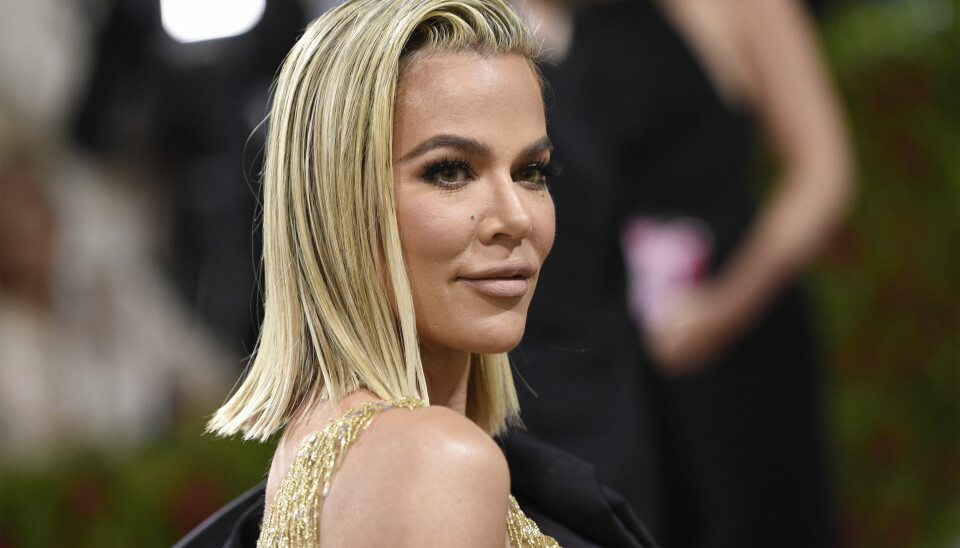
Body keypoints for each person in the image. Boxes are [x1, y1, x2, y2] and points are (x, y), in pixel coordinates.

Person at [192, 1, 659, 546]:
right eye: (450, 171)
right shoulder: (432, 465)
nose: (516, 218)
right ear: (338, 200)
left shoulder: (346, 453)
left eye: (531, 172)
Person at [509, 0, 854, 546]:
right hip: (617, 357)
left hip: (734, 338)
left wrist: (723, 308)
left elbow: (824, 175)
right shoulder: (566, 17)